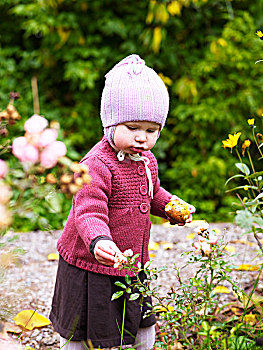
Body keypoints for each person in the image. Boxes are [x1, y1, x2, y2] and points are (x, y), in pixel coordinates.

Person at [49, 54, 195, 350]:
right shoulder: (97, 164)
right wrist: (98, 240)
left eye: (151, 130)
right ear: (111, 122)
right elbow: (89, 210)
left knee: (142, 325)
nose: (142, 137)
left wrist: (168, 206)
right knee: (82, 329)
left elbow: (152, 193)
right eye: (132, 127)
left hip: (131, 263)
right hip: (91, 261)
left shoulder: (146, 160)